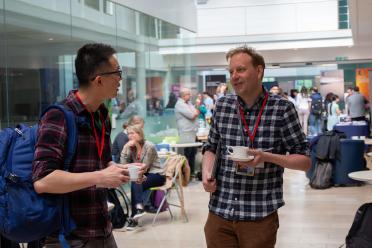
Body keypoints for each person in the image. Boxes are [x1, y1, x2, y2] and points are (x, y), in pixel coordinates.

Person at [32, 43, 146, 248]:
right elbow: (43, 180)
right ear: (99, 80)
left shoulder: (101, 115)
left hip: (101, 229)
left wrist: (120, 171)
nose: (120, 78)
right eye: (117, 72)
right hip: (67, 237)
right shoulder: (58, 116)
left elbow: (101, 166)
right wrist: (100, 176)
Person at [202, 46, 310, 248]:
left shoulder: (282, 108)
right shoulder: (223, 106)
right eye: (231, 72)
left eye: (240, 70)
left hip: (259, 215)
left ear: (259, 71)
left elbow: (304, 162)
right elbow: (211, 147)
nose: (234, 76)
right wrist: (206, 173)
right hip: (219, 212)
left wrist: (267, 157)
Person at [120, 125, 166, 230]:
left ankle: (135, 216)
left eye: (132, 133)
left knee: (136, 180)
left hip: (157, 175)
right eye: (128, 134)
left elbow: (145, 167)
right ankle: (137, 211)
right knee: (136, 181)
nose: (129, 136)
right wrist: (125, 148)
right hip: (142, 176)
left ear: (140, 134)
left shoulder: (149, 146)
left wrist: (132, 170)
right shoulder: (130, 148)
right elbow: (123, 165)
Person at [175, 88, 200, 175]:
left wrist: (196, 110)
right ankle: (185, 174)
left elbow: (197, 113)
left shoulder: (188, 103)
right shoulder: (179, 104)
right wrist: (196, 107)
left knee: (193, 153)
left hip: (192, 132)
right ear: (183, 95)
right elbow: (193, 115)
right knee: (187, 154)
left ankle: (192, 173)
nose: (190, 95)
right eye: (188, 94)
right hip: (185, 133)